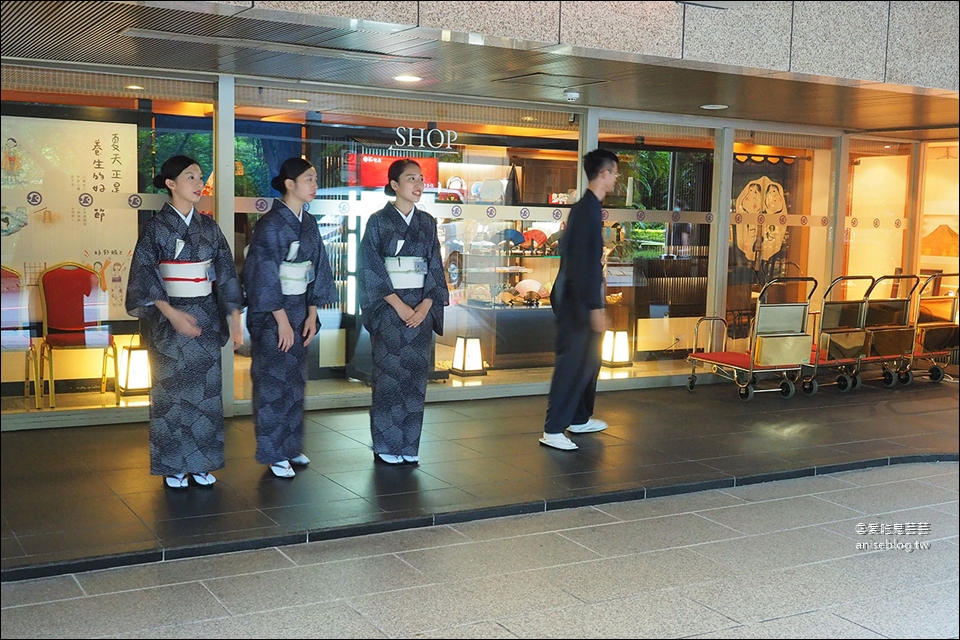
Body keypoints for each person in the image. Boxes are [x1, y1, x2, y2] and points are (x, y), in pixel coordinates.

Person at [126, 155, 244, 489]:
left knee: (206, 394)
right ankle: (173, 465)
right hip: (169, 320)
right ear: (171, 183)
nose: (198, 183)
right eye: (190, 177)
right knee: (171, 394)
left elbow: (225, 274)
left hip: (204, 316)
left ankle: (201, 462)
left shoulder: (209, 227)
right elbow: (144, 276)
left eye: (199, 177)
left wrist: (235, 318)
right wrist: (171, 312)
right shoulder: (156, 228)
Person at [242, 157, 336, 478]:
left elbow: (318, 268)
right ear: (289, 184)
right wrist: (282, 320)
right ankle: (273, 451)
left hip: (300, 311)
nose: (314, 185)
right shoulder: (269, 224)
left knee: (295, 381)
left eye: (315, 179)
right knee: (272, 382)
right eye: (308, 179)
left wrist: (312, 313)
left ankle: (291, 446)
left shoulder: (308, 223)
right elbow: (263, 274)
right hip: (274, 316)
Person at [357, 159, 449, 465]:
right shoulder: (378, 221)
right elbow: (370, 268)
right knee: (389, 379)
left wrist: (425, 306)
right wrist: (397, 304)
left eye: (421, 179)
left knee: (415, 379)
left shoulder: (427, 222)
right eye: (411, 179)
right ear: (394, 185)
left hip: (420, 311)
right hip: (389, 309)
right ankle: (386, 445)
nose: (419, 185)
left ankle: (409, 445)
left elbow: (435, 266)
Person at [540, 149, 619, 450]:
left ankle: (579, 417)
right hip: (576, 301)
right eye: (614, 173)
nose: (616, 178)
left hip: (581, 297)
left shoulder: (590, 208)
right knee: (572, 363)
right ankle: (553, 428)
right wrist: (595, 307)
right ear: (603, 173)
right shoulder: (585, 210)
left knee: (590, 360)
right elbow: (581, 264)